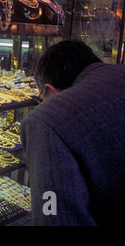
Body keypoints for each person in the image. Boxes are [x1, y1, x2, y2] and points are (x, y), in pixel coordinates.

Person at [20, 39, 125, 225]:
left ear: (49, 89)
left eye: (42, 98)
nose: (43, 103)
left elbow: (52, 215)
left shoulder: (47, 119)